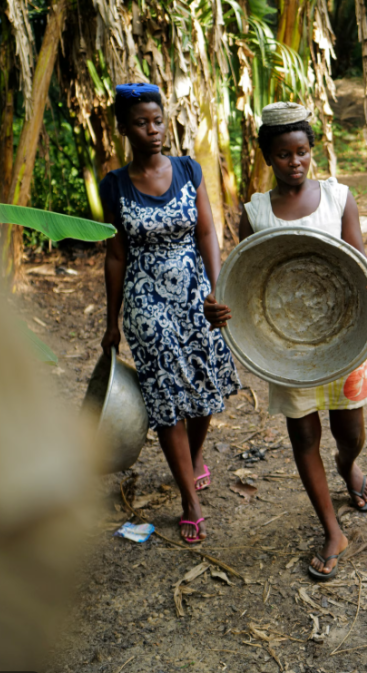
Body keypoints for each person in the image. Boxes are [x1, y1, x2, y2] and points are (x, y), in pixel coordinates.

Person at [204, 102, 367, 580]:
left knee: (352, 434)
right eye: (284, 154)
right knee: (303, 435)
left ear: (313, 151)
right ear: (268, 156)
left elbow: (359, 264)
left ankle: (348, 466)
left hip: (343, 338)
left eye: (303, 152)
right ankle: (332, 529)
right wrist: (221, 306)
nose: (295, 162)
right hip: (282, 348)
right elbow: (242, 281)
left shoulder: (338, 198)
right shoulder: (256, 211)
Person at [99, 83, 241, 544]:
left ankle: (194, 458)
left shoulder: (187, 170)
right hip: (146, 300)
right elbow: (116, 255)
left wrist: (217, 290)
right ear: (125, 128)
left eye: (158, 120)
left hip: (196, 293)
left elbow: (206, 234)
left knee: (205, 384)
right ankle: (189, 497)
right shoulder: (115, 185)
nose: (153, 130)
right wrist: (111, 322)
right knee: (166, 393)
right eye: (141, 122)